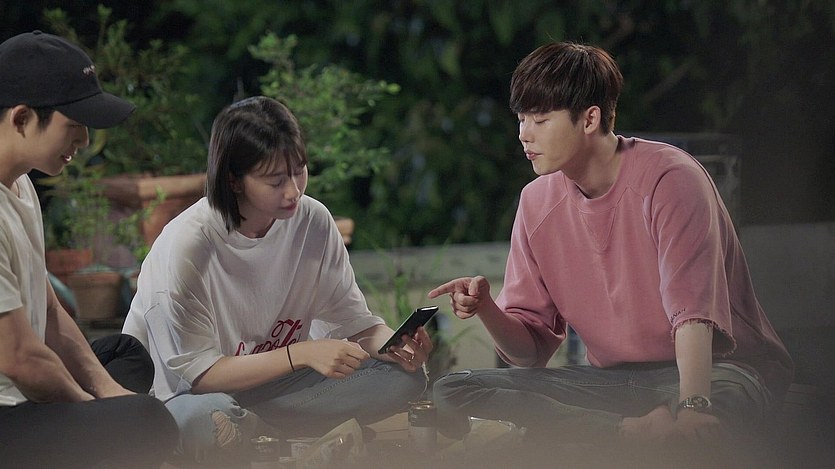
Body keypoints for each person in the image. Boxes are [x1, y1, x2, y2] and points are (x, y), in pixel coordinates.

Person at [429, 41, 793, 464]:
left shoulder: (671, 178)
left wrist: (693, 406)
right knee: (454, 389)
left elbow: (693, 315)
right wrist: (487, 308)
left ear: (590, 119)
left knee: (702, 434)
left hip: (719, 372)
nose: (524, 134)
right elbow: (529, 354)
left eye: (541, 120)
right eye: (522, 119)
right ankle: (627, 432)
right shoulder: (535, 203)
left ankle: (638, 433)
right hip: (616, 384)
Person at [122, 96, 431, 466]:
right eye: (275, 181)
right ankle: (273, 435)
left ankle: (258, 435)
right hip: (188, 395)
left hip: (278, 388)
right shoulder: (188, 245)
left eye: (299, 171)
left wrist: (395, 346)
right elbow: (201, 375)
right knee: (210, 420)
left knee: (405, 378)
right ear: (234, 180)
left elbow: (355, 324)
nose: (294, 191)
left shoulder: (313, 222)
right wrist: (300, 354)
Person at [0, 31, 178, 468]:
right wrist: (95, 410)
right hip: (8, 405)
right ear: (22, 119)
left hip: (25, 389)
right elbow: (19, 358)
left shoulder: (20, 185)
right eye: (74, 124)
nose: (83, 140)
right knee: (149, 421)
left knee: (125, 356)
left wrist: (107, 394)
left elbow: (48, 308)